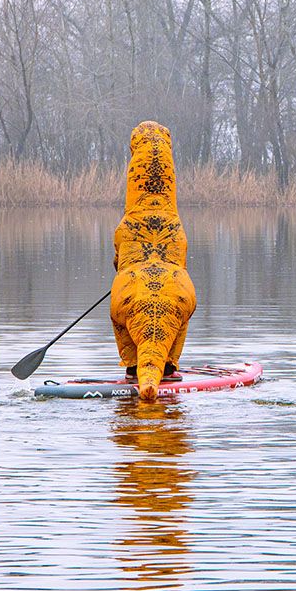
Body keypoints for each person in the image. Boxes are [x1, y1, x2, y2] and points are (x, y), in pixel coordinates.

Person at [110, 121, 197, 401]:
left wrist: (120, 266)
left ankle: (135, 368)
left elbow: (119, 258)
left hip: (131, 289)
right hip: (174, 289)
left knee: (121, 299)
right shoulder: (176, 227)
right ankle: (168, 366)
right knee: (180, 293)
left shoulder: (126, 226)